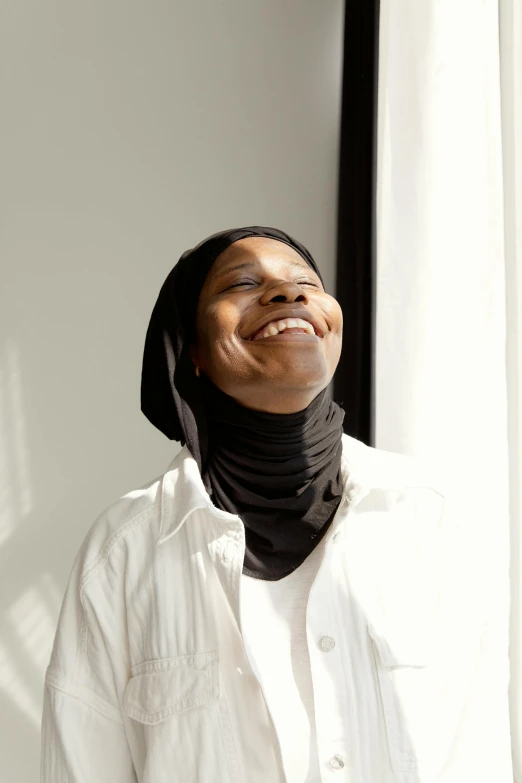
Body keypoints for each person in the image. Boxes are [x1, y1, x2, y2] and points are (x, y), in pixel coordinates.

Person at [40, 226, 513, 782]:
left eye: (305, 283)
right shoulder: (125, 552)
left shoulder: (427, 518)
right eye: (243, 282)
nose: (289, 295)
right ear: (191, 351)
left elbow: (476, 753)